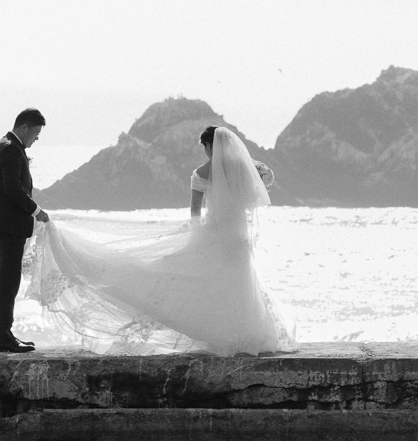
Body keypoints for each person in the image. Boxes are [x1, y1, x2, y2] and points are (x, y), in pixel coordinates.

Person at [27, 125, 295, 355]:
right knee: (240, 284)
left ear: (208, 146)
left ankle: (222, 336)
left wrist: (196, 236)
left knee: (196, 281)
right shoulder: (241, 169)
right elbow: (253, 199)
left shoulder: (201, 173)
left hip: (215, 234)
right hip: (237, 238)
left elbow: (194, 212)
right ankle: (249, 335)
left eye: (205, 147)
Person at [0, 108, 49, 353]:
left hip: (5, 226)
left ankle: (4, 334)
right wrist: (36, 211)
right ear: (24, 127)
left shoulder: (7, 144)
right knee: (8, 282)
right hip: (8, 227)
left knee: (9, 281)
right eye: (36, 132)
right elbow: (11, 188)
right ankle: (2, 338)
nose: (37, 138)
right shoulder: (11, 148)